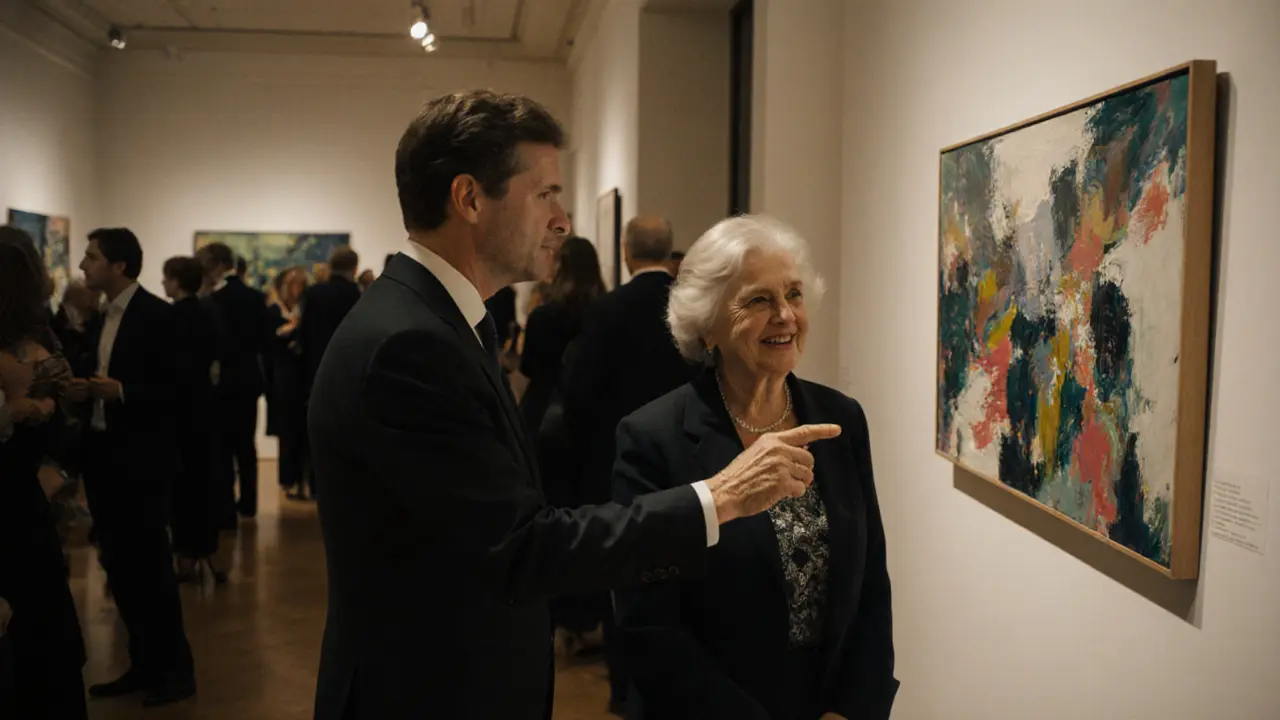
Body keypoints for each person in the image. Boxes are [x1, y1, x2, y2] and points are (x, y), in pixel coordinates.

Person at [307, 89, 839, 720]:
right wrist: (719, 497)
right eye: (545, 194)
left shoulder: (432, 322)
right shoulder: (410, 344)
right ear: (470, 198)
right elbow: (520, 548)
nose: (562, 220)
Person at [611, 215, 898, 720]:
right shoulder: (653, 438)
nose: (785, 315)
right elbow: (648, 622)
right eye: (759, 300)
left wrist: (852, 708)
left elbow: (871, 582)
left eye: (794, 294)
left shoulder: (840, 419)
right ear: (707, 326)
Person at [561, 214, 697, 710]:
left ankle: (626, 688)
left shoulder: (606, 310)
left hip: (618, 459)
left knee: (624, 573)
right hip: (688, 461)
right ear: (669, 250)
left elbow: (580, 392)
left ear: (625, 252)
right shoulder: (691, 307)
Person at [71, 228, 196, 706]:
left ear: (119, 265)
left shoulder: (157, 316)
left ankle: (175, 672)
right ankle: (143, 665)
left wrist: (121, 391)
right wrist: (88, 391)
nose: (83, 265)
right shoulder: (102, 315)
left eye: (92, 257)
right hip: (105, 459)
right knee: (120, 569)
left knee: (151, 571)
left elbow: (181, 390)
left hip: (141, 463)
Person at [0, 226, 88, 719]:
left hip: (18, 505)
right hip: (24, 506)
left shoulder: (36, 349)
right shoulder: (43, 348)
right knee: (42, 639)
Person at [161, 256, 225, 584]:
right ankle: (206, 549)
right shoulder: (207, 312)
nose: (163, 283)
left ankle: (186, 555)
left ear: (176, 281)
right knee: (203, 482)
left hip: (179, 410)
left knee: (183, 485)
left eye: (166, 277)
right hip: (204, 406)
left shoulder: (172, 317)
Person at [201, 242, 268, 520]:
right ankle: (249, 503)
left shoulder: (213, 299)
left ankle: (225, 504)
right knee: (245, 444)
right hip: (248, 379)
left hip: (221, 381)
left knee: (222, 445)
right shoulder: (254, 297)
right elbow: (262, 340)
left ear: (217, 265)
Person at [519, 236, 605, 437]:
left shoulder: (542, 316)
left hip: (544, 410)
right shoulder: (605, 315)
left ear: (560, 269)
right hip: (593, 412)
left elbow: (528, 367)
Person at [265, 267, 310, 498]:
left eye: (300, 285)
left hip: (302, 375)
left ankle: (302, 479)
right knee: (286, 430)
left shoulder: (306, 310)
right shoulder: (274, 311)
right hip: (283, 376)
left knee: (303, 430)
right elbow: (268, 343)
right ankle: (288, 479)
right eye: (293, 285)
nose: (296, 290)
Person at [297, 245, 361, 390]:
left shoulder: (313, 292)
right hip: (343, 366)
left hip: (314, 363)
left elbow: (304, 330)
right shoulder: (354, 295)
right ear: (354, 268)